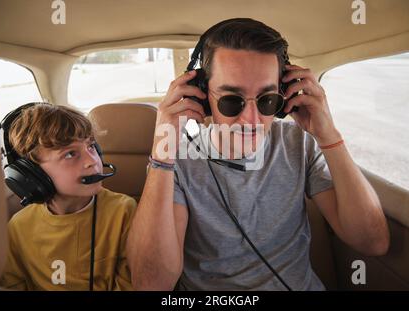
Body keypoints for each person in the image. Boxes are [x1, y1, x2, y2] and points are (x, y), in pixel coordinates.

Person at [127, 18, 389, 290]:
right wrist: (162, 151)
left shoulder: (299, 145)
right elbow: (150, 284)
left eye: (267, 100)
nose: (251, 119)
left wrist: (329, 136)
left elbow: (373, 242)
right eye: (232, 100)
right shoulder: (176, 161)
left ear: (284, 98)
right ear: (202, 97)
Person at [0, 103, 136, 290]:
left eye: (91, 146)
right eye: (70, 154)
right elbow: (12, 284)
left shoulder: (123, 212)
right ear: (31, 174)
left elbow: (130, 282)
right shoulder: (18, 227)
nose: (92, 161)